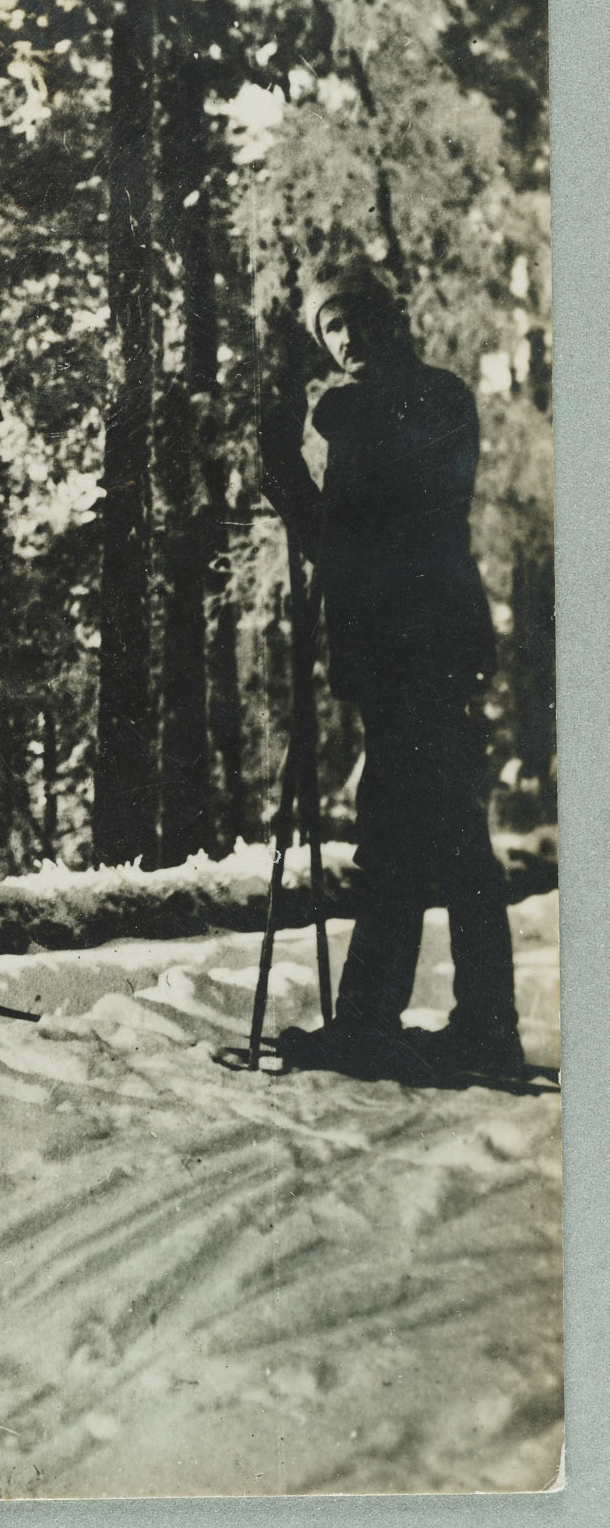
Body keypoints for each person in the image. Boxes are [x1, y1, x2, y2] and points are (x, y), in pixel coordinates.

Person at [260, 257, 523, 1079]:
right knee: (414, 838)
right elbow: (337, 547)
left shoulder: (437, 400)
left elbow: (393, 519)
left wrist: (323, 433)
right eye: (329, 328)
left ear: (391, 321)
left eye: (355, 319)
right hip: (387, 660)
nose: (345, 338)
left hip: (432, 656)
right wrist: (283, 473)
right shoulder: (359, 418)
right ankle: (446, 1023)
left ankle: (405, 1021)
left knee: (426, 840)